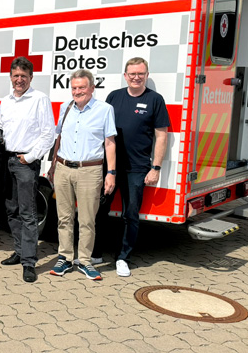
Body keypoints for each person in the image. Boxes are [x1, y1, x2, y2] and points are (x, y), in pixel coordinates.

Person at [95, 57, 170, 278]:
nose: (136, 77)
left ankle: (122, 258)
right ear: (125, 75)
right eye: (132, 73)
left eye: (141, 73)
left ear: (146, 75)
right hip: (110, 167)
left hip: (137, 168)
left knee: (130, 214)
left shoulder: (155, 99)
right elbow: (103, 130)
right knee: (99, 210)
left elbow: (161, 136)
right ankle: (96, 252)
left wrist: (155, 167)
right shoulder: (114, 97)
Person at [0, 56, 55, 283]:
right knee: (11, 209)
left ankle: (29, 261)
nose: (19, 80)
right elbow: (0, 125)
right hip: (6, 158)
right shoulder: (6, 100)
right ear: (10, 77)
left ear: (31, 78)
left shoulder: (39, 99)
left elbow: (48, 134)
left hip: (25, 162)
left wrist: (29, 157)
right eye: (15, 76)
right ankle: (19, 251)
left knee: (28, 213)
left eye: (23, 76)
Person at [47, 69, 116, 281]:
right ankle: (65, 258)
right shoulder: (65, 107)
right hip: (63, 168)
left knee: (87, 220)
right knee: (64, 218)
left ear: (92, 88)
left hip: (90, 170)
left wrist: (111, 172)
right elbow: (59, 137)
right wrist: (52, 166)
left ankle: (85, 261)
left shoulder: (105, 109)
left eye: (82, 87)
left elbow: (110, 143)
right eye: (74, 88)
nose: (77, 91)